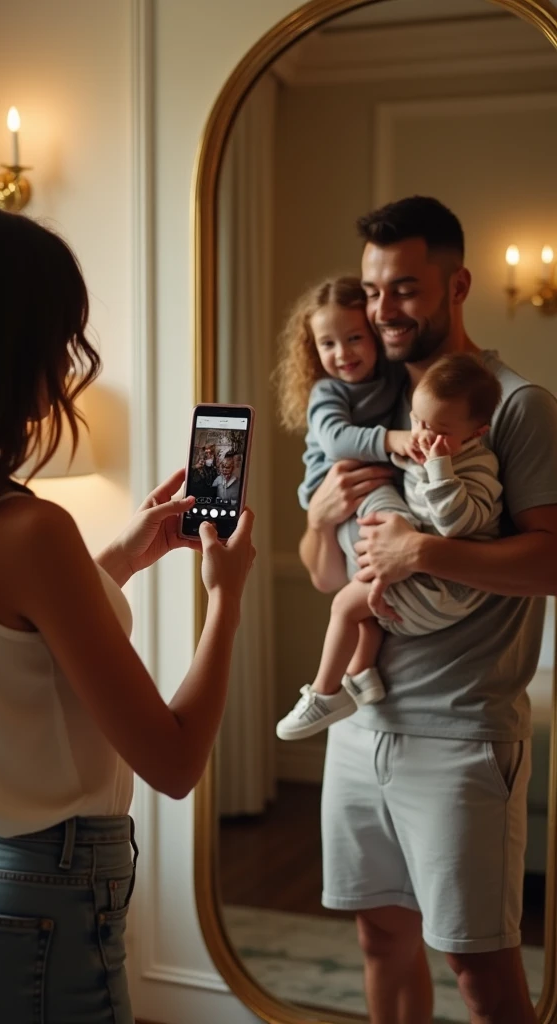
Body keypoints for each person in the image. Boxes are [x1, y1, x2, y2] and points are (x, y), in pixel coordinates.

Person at [0, 201, 255, 1024]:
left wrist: (116, 558)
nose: (69, 363)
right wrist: (226, 598)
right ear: (15, 349)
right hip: (25, 910)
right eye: (61, 337)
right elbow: (175, 761)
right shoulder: (31, 531)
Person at [300, 196, 557, 1024]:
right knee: (381, 940)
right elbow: (320, 575)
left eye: (405, 289)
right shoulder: (366, 408)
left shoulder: (517, 407)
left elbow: (552, 560)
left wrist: (425, 552)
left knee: (479, 970)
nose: (383, 312)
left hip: (461, 732)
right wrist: (317, 520)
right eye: (375, 293)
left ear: (458, 286)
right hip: (358, 725)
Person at [277, 349, 503, 741]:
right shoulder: (433, 447)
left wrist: (436, 471)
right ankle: (362, 675)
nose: (424, 436)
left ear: (476, 433)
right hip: (424, 577)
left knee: (346, 605)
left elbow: (454, 525)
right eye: (417, 421)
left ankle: (325, 693)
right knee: (362, 598)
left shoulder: (476, 467)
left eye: (440, 431)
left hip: (446, 590)